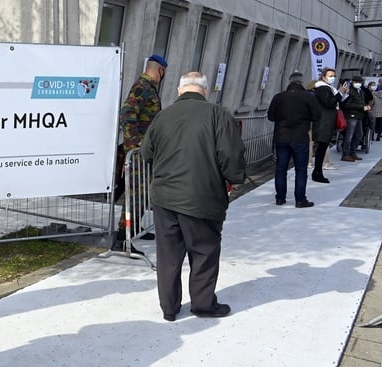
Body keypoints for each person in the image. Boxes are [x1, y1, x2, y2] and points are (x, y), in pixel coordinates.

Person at [140, 72, 246, 322]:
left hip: (165, 197)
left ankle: (169, 307)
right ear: (205, 90)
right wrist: (235, 177)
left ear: (180, 90)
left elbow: (146, 152)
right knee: (204, 252)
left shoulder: (163, 116)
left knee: (168, 255)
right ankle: (203, 304)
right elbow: (231, 156)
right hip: (202, 196)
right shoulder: (218, 115)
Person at [111, 54, 168, 255]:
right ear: (160, 70)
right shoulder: (142, 87)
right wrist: (134, 144)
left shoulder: (148, 88)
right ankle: (122, 239)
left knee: (142, 195)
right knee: (136, 195)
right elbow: (127, 112)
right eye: (163, 72)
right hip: (137, 154)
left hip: (145, 153)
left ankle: (134, 228)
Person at [268, 71, 321, 207]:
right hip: (300, 136)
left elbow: (271, 116)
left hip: (282, 137)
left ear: (289, 81)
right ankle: (300, 199)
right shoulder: (308, 97)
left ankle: (280, 198)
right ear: (302, 82)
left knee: (281, 169)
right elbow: (316, 116)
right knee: (301, 170)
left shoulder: (279, 97)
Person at [311, 68, 349, 183]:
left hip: (327, 122)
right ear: (323, 77)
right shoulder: (322, 88)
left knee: (322, 148)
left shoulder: (329, 88)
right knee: (321, 148)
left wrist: (343, 94)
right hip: (324, 122)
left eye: (334, 76)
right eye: (330, 75)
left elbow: (337, 103)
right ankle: (317, 172)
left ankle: (317, 172)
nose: (333, 78)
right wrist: (340, 93)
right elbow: (329, 103)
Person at [339, 75, 369, 161]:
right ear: (352, 82)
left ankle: (353, 152)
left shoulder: (361, 91)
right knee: (349, 136)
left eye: (359, 82)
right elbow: (346, 104)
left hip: (359, 116)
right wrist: (361, 107)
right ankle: (345, 154)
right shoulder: (349, 91)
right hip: (351, 116)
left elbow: (361, 102)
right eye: (356, 82)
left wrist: (365, 106)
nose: (358, 84)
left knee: (359, 135)